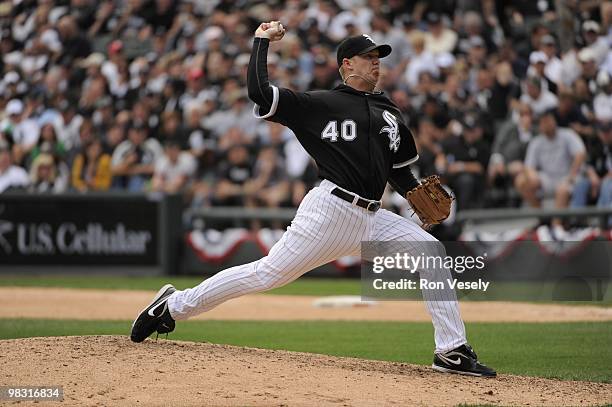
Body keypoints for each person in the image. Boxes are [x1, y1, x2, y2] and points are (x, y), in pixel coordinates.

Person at [130, 22, 496, 378]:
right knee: (266, 274)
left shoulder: (390, 112)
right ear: (346, 65)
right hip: (330, 211)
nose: (376, 61)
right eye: (367, 56)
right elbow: (261, 93)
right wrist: (261, 42)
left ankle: (451, 350)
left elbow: (398, 172)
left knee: (431, 252)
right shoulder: (320, 104)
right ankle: (173, 306)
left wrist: (417, 198)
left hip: (372, 217)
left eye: (378, 56)